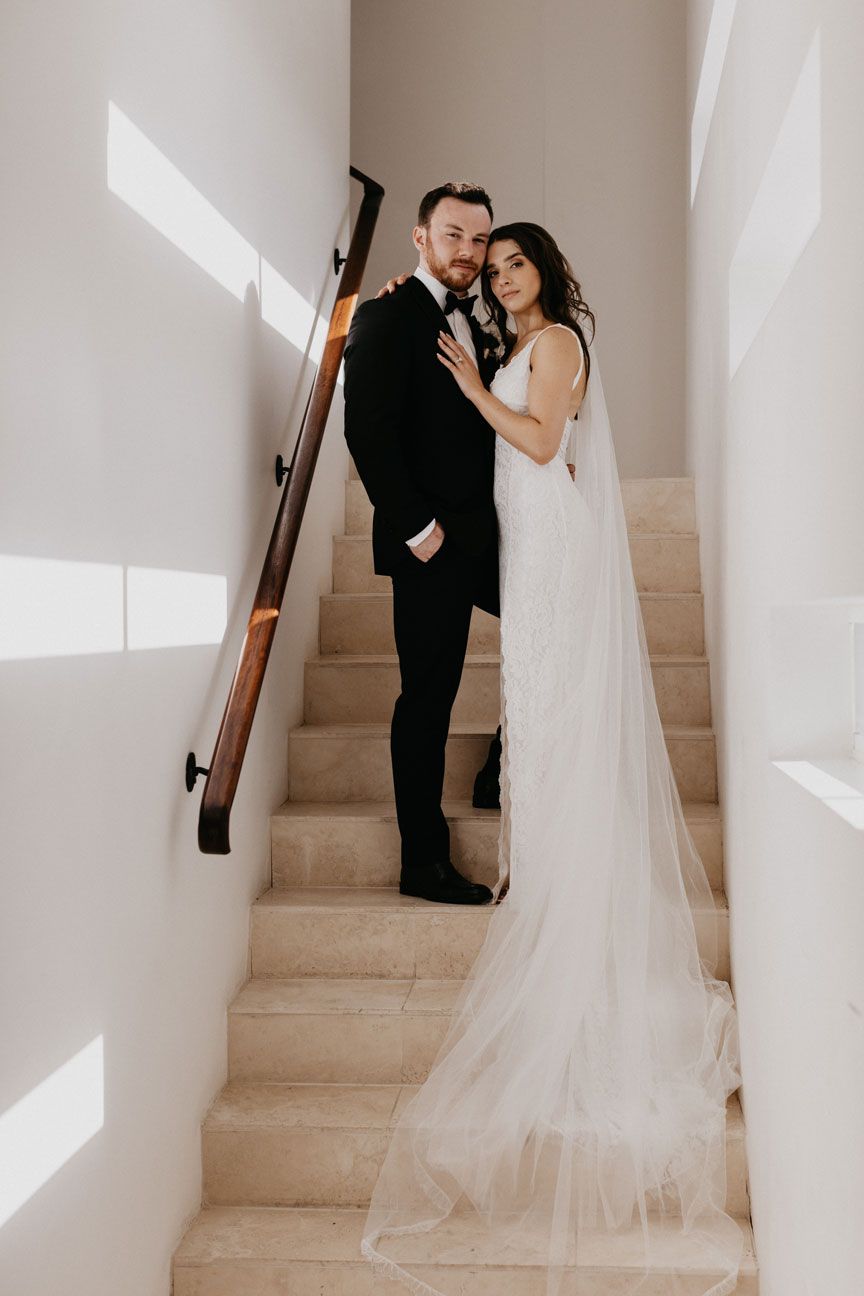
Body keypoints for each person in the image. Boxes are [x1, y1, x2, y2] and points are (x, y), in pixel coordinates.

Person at [360, 224, 744, 1296]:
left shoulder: (562, 341)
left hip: (558, 548)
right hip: (523, 558)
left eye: (516, 262)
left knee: (561, 715)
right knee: (532, 718)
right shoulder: (500, 336)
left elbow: (539, 444)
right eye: (495, 267)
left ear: (548, 273)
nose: (505, 276)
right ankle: (544, 869)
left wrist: (480, 387)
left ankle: (576, 895)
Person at [343, 182, 502, 905]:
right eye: (452, 236)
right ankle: (423, 862)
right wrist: (417, 528)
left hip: (489, 533)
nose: (467, 252)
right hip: (431, 543)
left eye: (478, 239)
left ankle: (499, 767)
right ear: (420, 236)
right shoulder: (384, 313)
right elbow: (366, 431)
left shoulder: (487, 316)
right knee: (428, 698)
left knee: (563, 622)